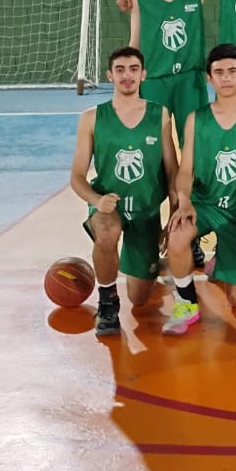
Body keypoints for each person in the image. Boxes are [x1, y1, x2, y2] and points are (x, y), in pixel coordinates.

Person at [68, 47, 178, 337]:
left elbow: (172, 171)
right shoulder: (92, 118)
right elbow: (77, 177)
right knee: (105, 232)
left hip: (146, 209)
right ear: (110, 76)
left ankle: (154, 260)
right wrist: (96, 200)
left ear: (143, 74)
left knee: (140, 298)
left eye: (132, 69)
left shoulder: (160, 114)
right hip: (108, 206)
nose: (126, 75)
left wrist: (175, 216)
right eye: (120, 70)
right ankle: (107, 304)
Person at [162, 44, 236, 335]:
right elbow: (185, 170)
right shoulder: (197, 119)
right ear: (209, 78)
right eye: (218, 72)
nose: (226, 78)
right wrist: (184, 201)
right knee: (178, 235)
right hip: (205, 205)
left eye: (232, 71)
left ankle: (224, 258)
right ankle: (186, 302)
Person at [127, 0, 216, 145]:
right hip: (154, 79)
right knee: (153, 144)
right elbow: (135, 41)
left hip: (190, 79)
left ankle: (193, 182)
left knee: (195, 142)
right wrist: (131, 78)